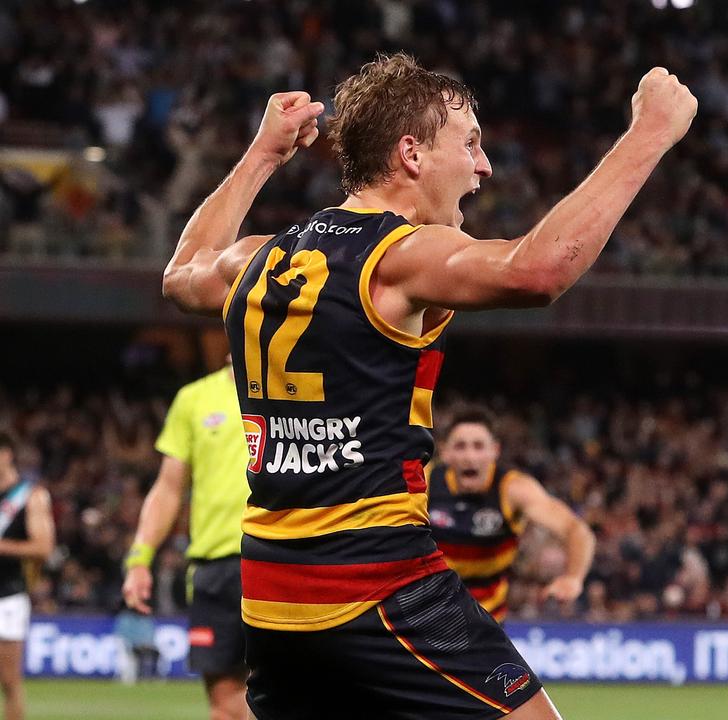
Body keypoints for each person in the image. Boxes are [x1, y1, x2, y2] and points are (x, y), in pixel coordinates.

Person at [160, 52, 695, 719]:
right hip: (379, 585)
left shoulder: (261, 257)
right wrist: (648, 135)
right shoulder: (399, 256)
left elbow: (182, 272)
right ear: (412, 153)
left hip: (273, 599)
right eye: (470, 143)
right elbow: (537, 270)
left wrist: (263, 155)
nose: (484, 165)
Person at [122, 364, 250, 719]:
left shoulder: (298, 383)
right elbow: (167, 488)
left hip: (283, 559)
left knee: (290, 695)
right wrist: (139, 558)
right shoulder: (194, 398)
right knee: (224, 705)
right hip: (216, 570)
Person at [430, 407, 595, 622]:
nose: (470, 457)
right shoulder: (424, 481)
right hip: (430, 615)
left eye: (479, 446)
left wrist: (573, 577)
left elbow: (576, 530)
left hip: (488, 620)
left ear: (495, 451)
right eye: (460, 446)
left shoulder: (513, 489)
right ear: (445, 452)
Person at [0, 432, 54, 720]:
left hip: (7, 597)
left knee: (9, 682)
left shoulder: (29, 495)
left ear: (6, 454)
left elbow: (43, 547)